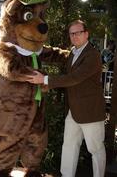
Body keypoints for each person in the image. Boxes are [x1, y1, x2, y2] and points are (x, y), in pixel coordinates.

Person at [27, 20, 106, 177]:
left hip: (90, 112)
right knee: (69, 146)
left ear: (86, 34)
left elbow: (74, 78)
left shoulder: (93, 55)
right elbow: (58, 55)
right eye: (72, 33)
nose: (75, 36)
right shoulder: (73, 52)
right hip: (73, 111)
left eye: (78, 33)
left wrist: (45, 80)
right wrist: (36, 49)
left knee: (96, 149)